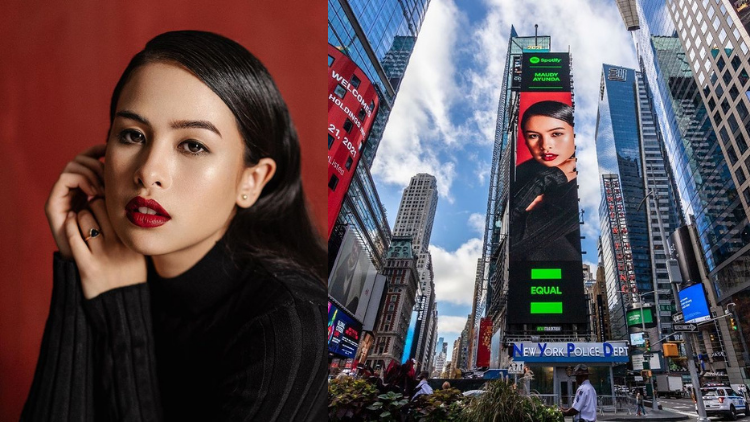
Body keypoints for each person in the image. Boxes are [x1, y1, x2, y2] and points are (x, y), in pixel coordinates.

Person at [21, 30, 326, 421]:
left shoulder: (290, 326)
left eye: (192, 145)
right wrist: (76, 260)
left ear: (251, 181)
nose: (149, 172)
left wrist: (119, 307)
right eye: (132, 135)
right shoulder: (113, 267)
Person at [509, 100, 580, 261]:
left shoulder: (578, 187)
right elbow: (503, 230)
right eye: (534, 136)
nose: (545, 145)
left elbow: (511, 237)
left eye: (556, 134)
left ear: (574, 134)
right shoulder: (522, 171)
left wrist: (550, 178)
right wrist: (548, 178)